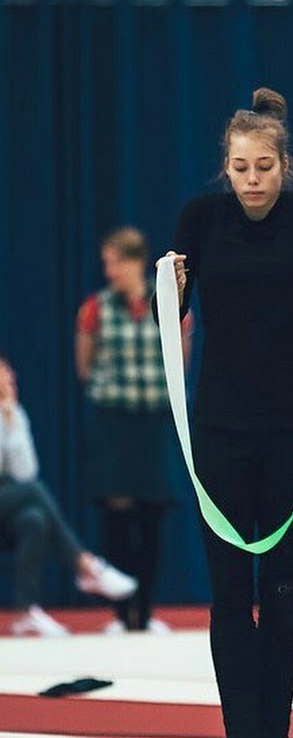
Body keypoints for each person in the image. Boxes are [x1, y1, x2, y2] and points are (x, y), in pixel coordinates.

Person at [161, 88, 293, 738]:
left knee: (284, 590)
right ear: (225, 166)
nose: (252, 181)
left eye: (264, 167)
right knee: (230, 590)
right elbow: (167, 310)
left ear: (283, 163)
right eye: (240, 168)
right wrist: (171, 284)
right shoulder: (200, 219)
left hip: (292, 427)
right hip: (220, 428)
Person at [76, 227, 191, 633]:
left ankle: (145, 611)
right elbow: (85, 366)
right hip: (116, 423)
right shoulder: (96, 307)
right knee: (117, 518)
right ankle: (121, 614)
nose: (109, 271)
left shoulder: (167, 305)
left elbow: (180, 359)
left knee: (152, 515)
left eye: (114, 262)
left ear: (135, 262)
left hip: (154, 422)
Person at [0, 356, 137, 636]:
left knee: (34, 519)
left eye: (9, 374)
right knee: (35, 492)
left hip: (9, 502)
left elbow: (26, 472)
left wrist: (11, 420)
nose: (9, 380)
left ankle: (27, 612)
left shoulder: (11, 413)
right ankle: (84, 564)